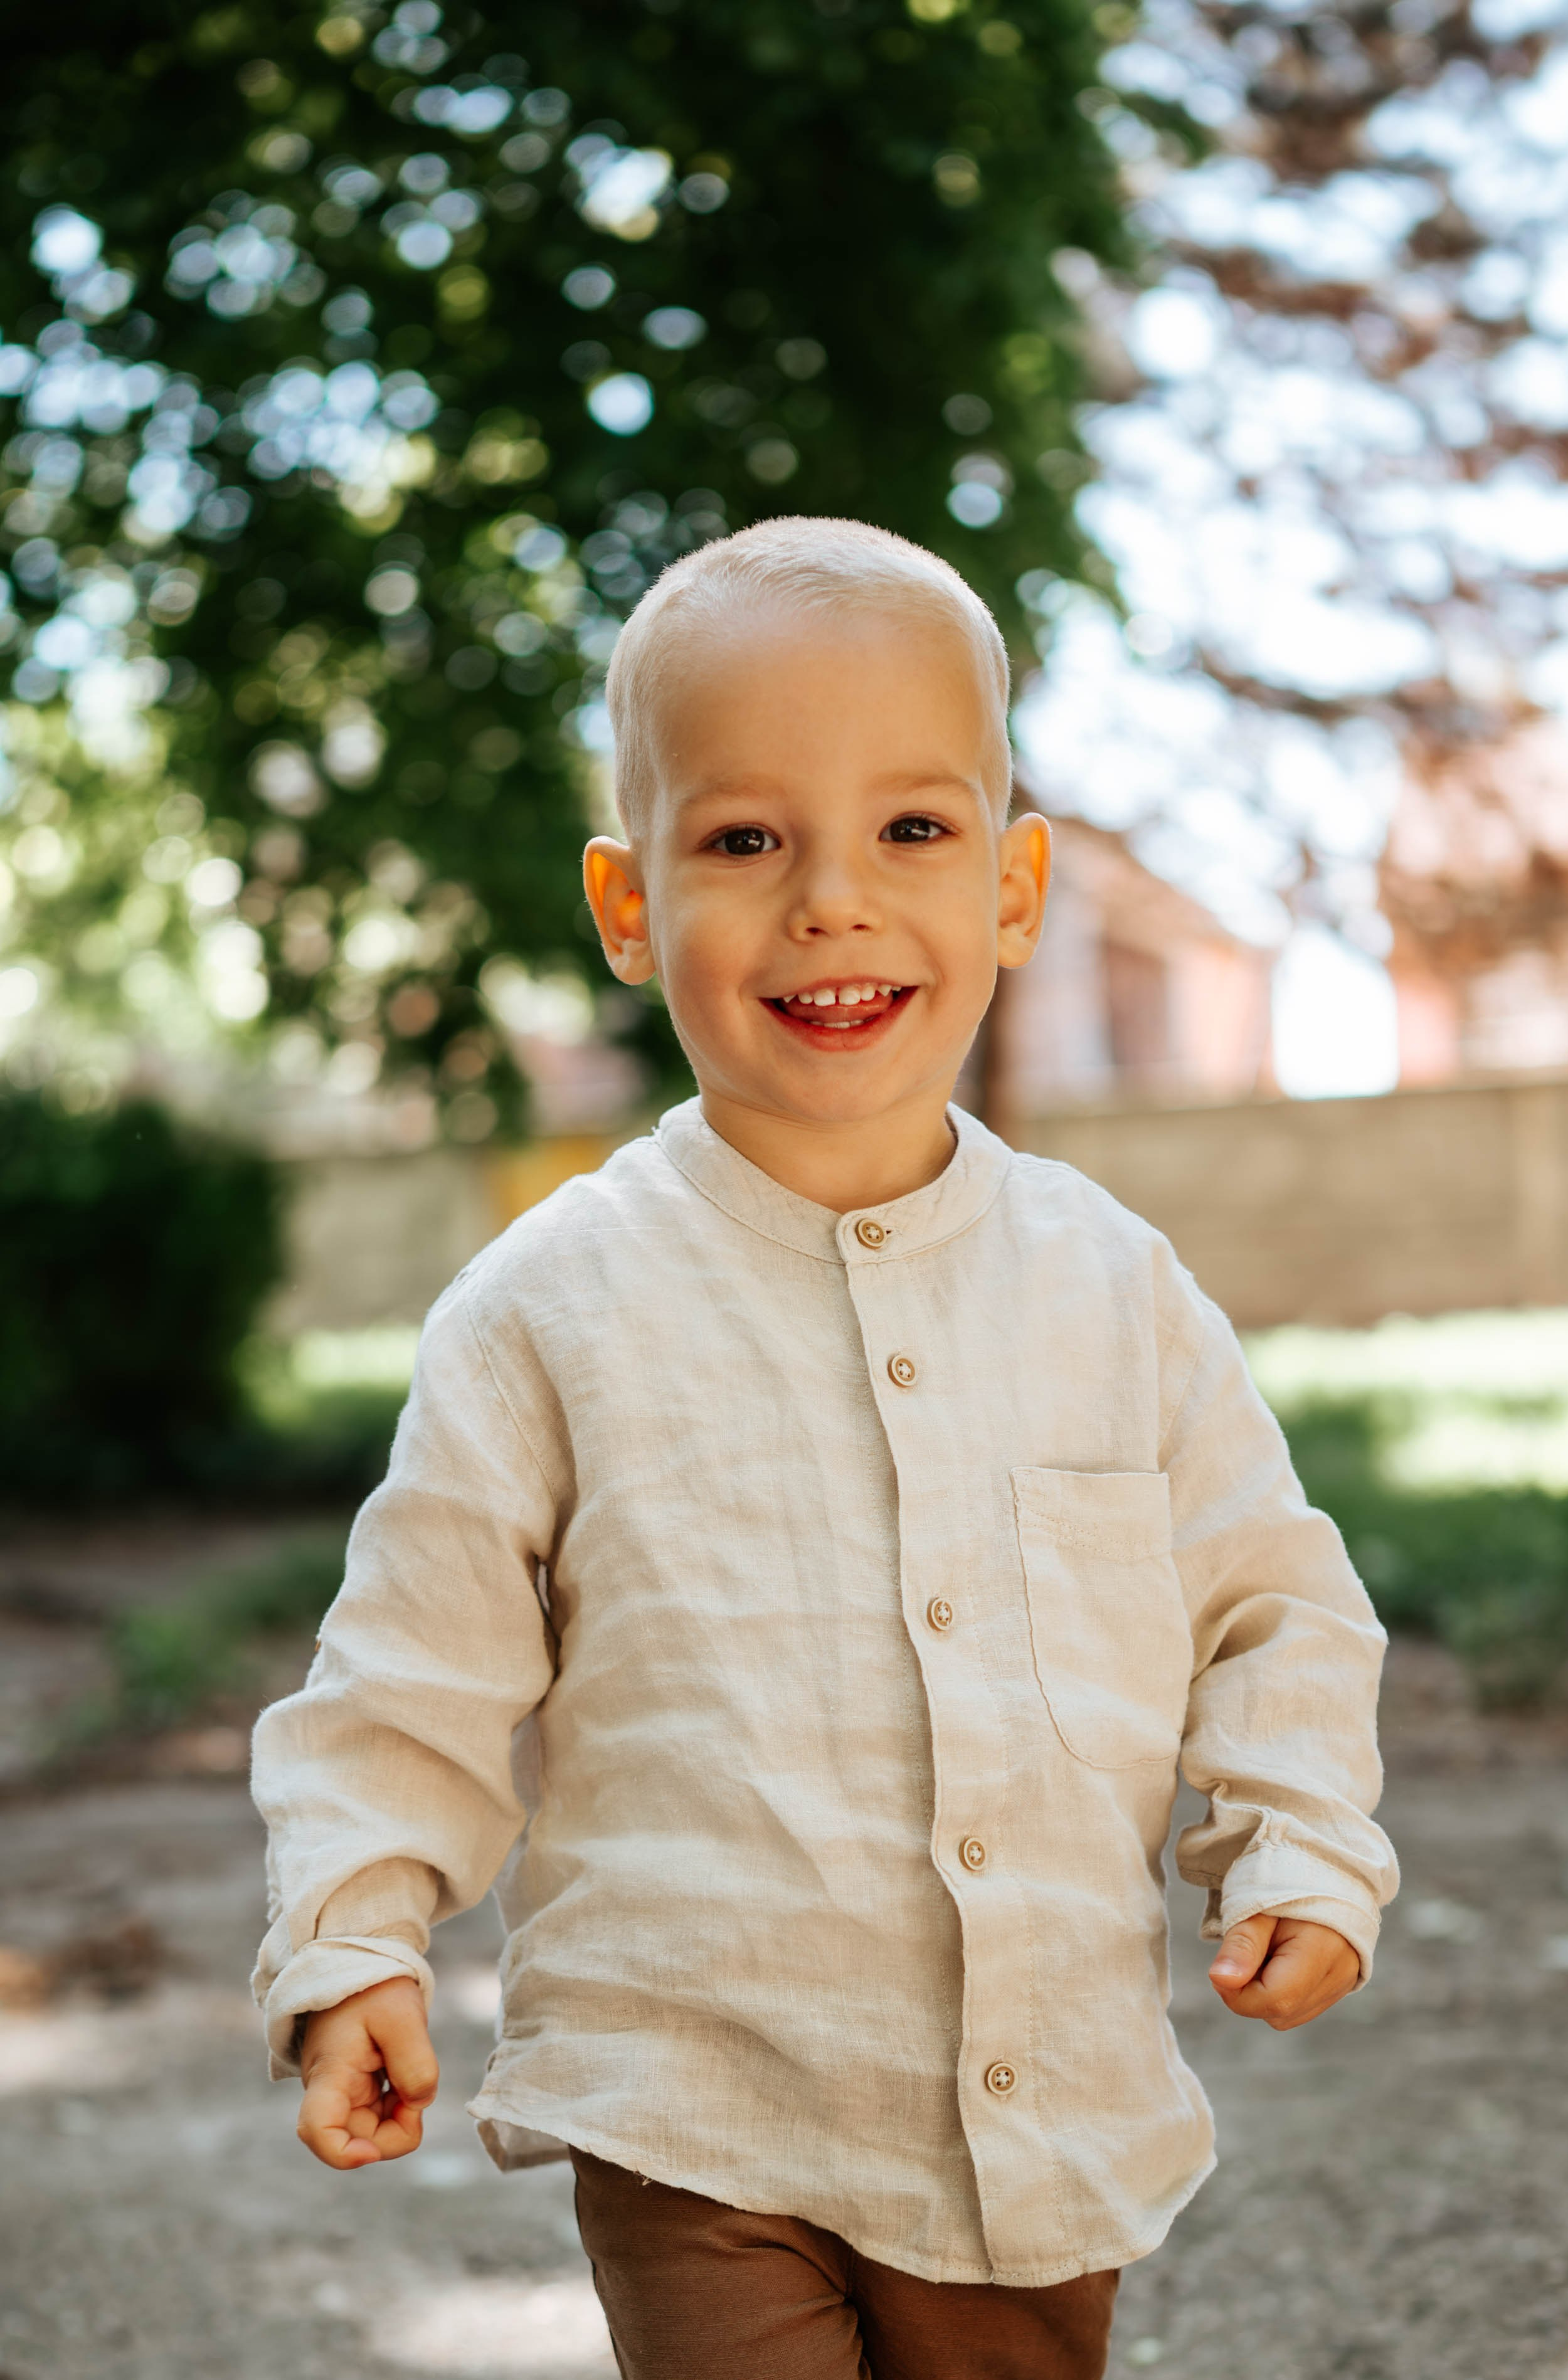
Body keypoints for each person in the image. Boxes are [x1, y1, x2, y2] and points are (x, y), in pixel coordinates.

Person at [251, 517, 1397, 2380]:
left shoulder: (1115, 1289)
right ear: (630, 909)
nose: (832, 902)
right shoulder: (545, 1309)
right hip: (693, 2098)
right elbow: (409, 1671)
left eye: (912, 833)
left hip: (1036, 2105)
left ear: (1015, 889)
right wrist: (354, 1938)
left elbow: (1269, 1599)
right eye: (744, 839)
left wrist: (1297, 1840)